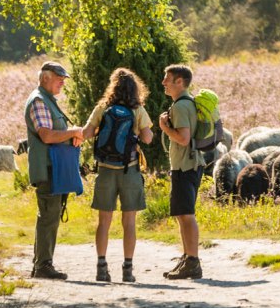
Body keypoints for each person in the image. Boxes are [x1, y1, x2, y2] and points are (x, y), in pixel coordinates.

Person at [81, 67, 153, 283]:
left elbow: (86, 133)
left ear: (112, 86)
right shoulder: (137, 109)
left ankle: (101, 267)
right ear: (135, 89)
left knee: (104, 221)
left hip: (105, 170)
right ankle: (127, 269)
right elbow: (148, 139)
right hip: (129, 169)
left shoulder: (103, 108)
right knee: (129, 221)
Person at [23, 60, 83, 280]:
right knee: (49, 216)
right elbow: (47, 135)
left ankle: (41, 263)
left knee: (49, 215)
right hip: (48, 168)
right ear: (45, 77)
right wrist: (73, 132)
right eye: (59, 79)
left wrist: (71, 135)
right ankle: (43, 266)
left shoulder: (47, 100)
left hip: (53, 167)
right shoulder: (39, 101)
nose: (62, 83)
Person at [158, 64, 202, 280]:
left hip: (185, 165)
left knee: (186, 214)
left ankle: (193, 261)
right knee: (181, 214)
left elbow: (183, 139)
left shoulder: (181, 107)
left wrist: (164, 128)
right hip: (188, 164)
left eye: (167, 79)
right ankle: (187, 258)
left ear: (179, 81)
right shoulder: (185, 103)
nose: (164, 82)